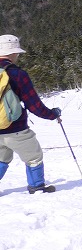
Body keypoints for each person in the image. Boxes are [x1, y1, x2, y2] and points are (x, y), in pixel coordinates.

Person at [0, 34, 61, 194]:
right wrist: (53, 114)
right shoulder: (18, 74)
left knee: (1, 158)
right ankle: (37, 187)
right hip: (16, 129)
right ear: (13, 53)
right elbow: (34, 106)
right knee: (33, 157)